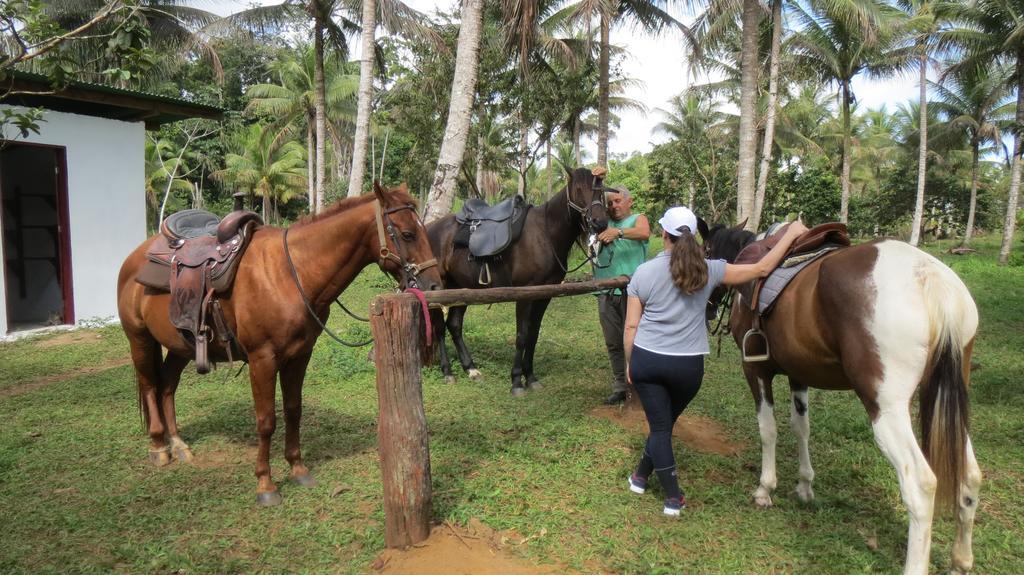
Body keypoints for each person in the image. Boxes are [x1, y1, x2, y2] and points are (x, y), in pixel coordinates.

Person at [623, 206, 807, 516]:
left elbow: (630, 326)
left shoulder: (643, 272)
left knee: (659, 428)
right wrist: (789, 235)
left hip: (648, 361)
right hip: (688, 368)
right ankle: (640, 477)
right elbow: (762, 269)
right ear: (694, 236)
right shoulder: (711, 270)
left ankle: (672, 497)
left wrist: (630, 363)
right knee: (662, 426)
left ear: (663, 235)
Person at [592, 184, 650, 405]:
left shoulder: (637, 219)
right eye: (610, 203)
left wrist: (619, 232)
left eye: (617, 201)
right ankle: (619, 386)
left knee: (635, 340)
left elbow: (645, 233)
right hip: (605, 291)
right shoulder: (602, 224)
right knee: (613, 341)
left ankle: (638, 385)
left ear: (629, 201)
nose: (613, 206)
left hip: (632, 293)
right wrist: (598, 180)